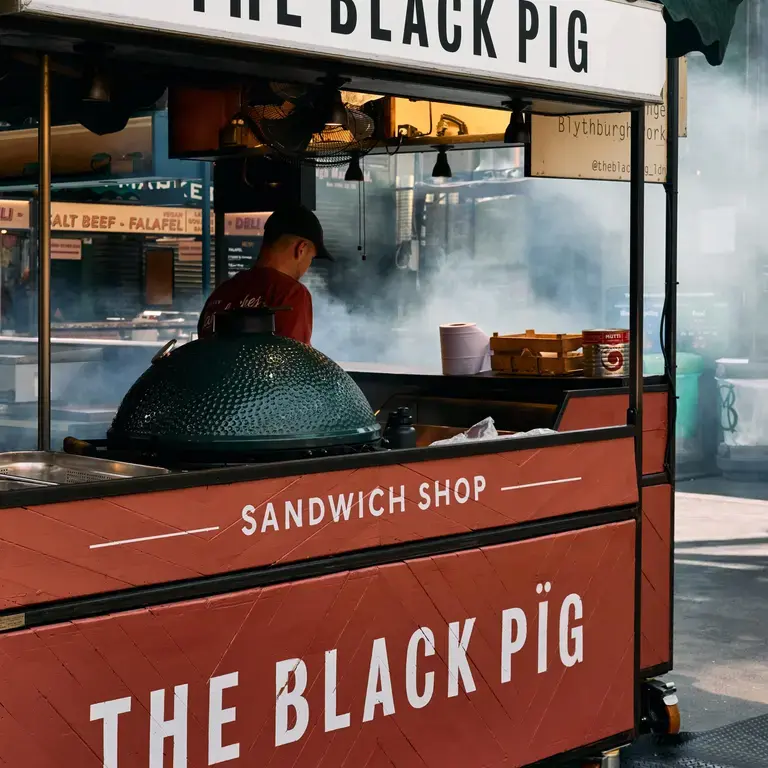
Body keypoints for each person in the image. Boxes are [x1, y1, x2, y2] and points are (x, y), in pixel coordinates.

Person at [198, 204, 332, 344]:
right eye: (311, 258)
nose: (308, 265)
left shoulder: (221, 292)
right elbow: (292, 360)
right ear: (301, 249)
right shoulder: (291, 293)